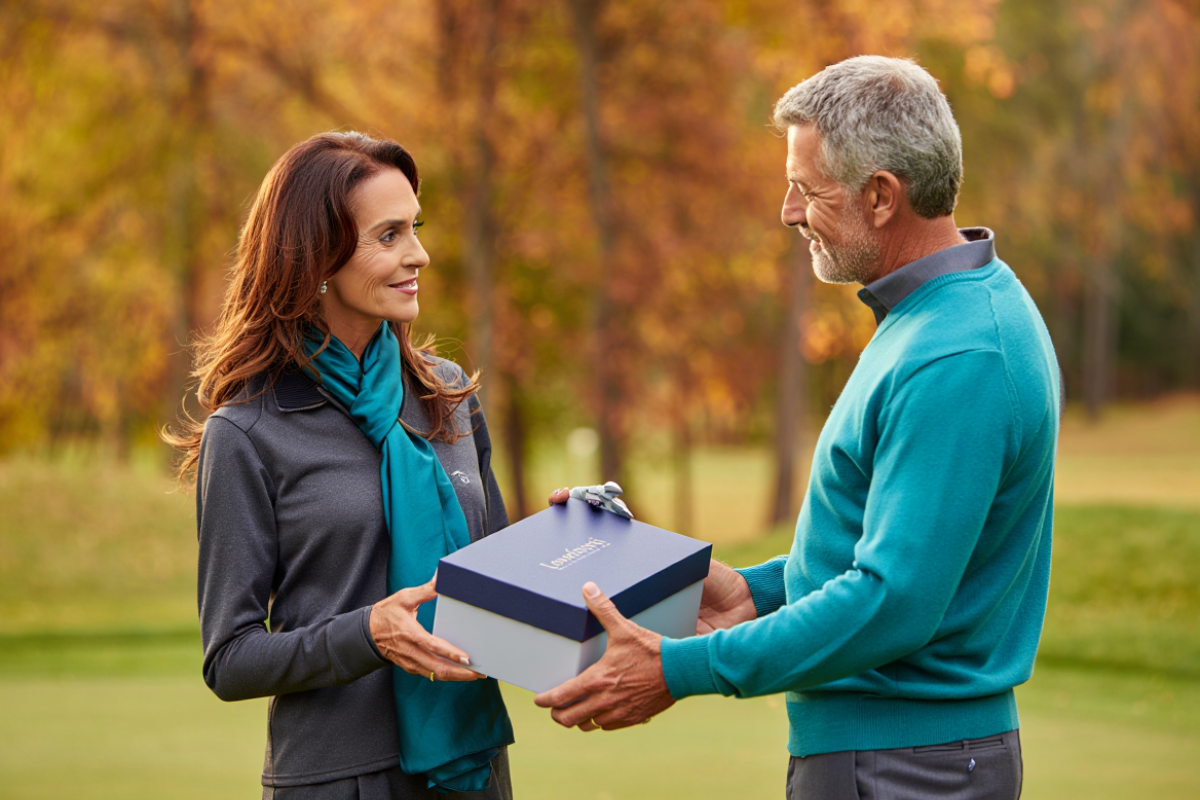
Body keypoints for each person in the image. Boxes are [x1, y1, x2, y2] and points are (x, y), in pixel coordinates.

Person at [538, 55, 1058, 800]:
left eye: (806, 190)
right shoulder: (939, 318)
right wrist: (747, 593)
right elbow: (888, 549)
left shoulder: (958, 353)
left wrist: (681, 669)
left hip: (906, 768)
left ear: (881, 196)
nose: (786, 211)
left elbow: (895, 600)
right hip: (904, 761)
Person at [167, 132, 514, 799]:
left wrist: (574, 541)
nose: (420, 254)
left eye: (415, 228)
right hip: (338, 781)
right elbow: (230, 658)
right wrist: (367, 634)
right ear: (316, 259)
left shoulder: (447, 396)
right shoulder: (247, 432)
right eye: (388, 236)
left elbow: (497, 593)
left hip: (473, 768)